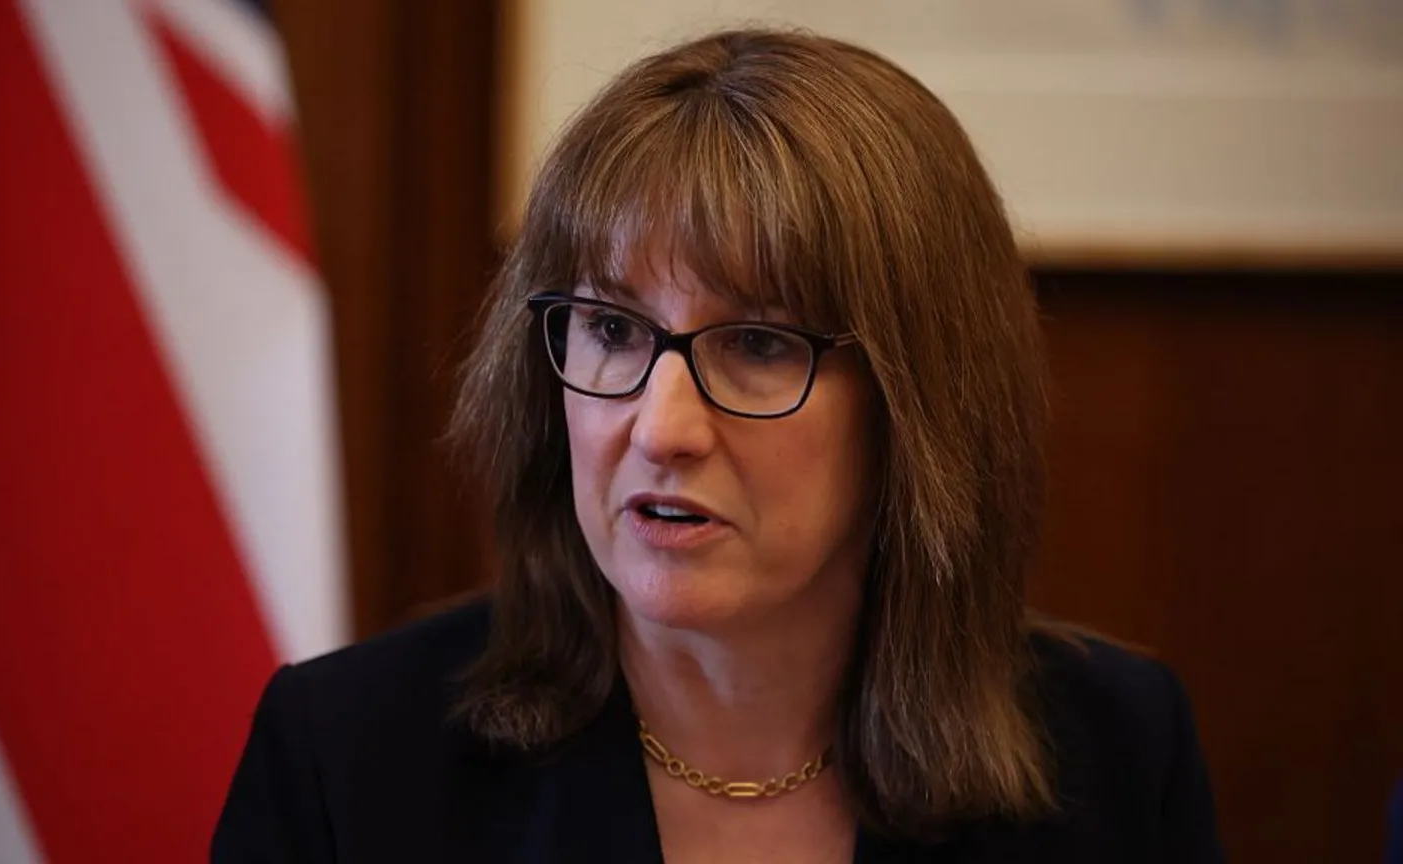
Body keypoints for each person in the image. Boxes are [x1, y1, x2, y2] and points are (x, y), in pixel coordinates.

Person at [211, 28, 1223, 863]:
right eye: (613, 329)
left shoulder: (1118, 756)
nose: (662, 428)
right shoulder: (348, 761)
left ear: (916, 403)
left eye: (758, 345)